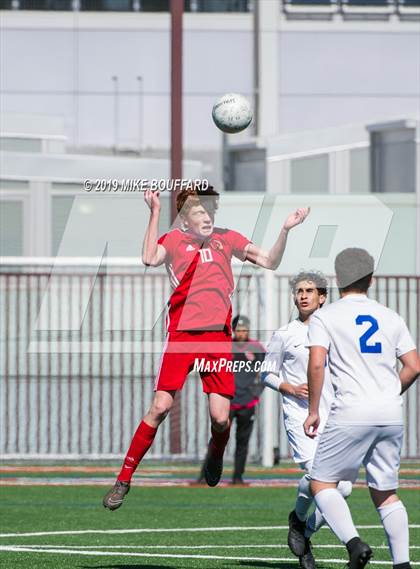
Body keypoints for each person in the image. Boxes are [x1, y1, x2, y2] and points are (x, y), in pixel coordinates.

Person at [103, 182, 310, 510]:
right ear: (185, 218)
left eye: (210, 210)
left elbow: (269, 260)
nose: (207, 215)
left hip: (216, 338)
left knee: (220, 419)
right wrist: (155, 211)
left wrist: (285, 229)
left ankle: (216, 455)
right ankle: (124, 479)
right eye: (200, 211)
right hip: (182, 338)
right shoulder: (173, 240)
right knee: (159, 407)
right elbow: (147, 258)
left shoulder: (227, 238)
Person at [304, 248, 420, 569]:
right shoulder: (390, 316)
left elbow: (316, 364)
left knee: (322, 483)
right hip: (390, 412)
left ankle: (355, 545)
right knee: (385, 493)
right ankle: (403, 565)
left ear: (337, 279)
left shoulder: (325, 317)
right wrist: (386, 393)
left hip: (351, 410)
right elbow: (413, 365)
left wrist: (313, 410)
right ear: (371, 279)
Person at [262, 270, 352, 569]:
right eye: (299, 291)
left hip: (334, 416)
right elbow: (266, 373)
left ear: (322, 297)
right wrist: (287, 386)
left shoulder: (337, 331)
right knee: (319, 476)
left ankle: (303, 528)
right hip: (301, 416)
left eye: (309, 291)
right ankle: (300, 521)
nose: (303, 295)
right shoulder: (285, 334)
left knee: (344, 489)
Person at [197, 314, 265, 485]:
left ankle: (237, 477)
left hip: (247, 402)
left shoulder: (256, 347)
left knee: (242, 442)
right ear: (234, 331)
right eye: (238, 330)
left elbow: (265, 371)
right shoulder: (226, 346)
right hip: (227, 402)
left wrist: (256, 392)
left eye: (245, 330)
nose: (241, 333)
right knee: (217, 438)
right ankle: (205, 475)